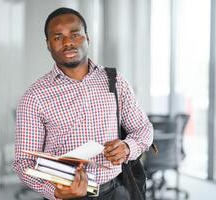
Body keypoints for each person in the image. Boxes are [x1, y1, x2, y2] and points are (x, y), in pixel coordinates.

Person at [13, 7, 153, 200]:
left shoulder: (115, 81)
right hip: (65, 196)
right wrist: (53, 192)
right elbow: (24, 163)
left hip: (116, 191)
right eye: (57, 37)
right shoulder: (34, 97)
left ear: (87, 38)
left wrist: (128, 147)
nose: (68, 42)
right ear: (48, 44)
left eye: (75, 34)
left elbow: (143, 128)